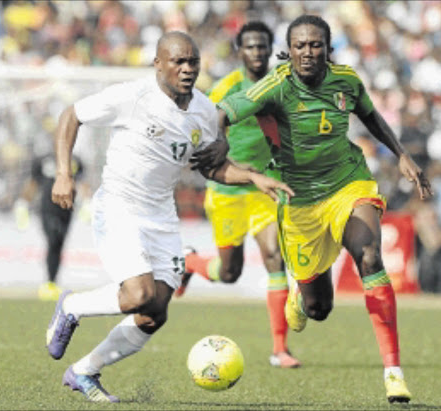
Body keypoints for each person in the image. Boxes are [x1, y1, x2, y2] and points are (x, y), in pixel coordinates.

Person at [196, 15, 433, 404]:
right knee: (319, 308)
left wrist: (401, 154)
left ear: (328, 48)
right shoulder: (275, 86)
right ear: (289, 52)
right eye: (300, 46)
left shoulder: (346, 80)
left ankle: (393, 372)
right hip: (299, 201)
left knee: (370, 256)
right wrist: (219, 142)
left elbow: (370, 115)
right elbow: (222, 113)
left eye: (316, 45)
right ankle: (299, 296)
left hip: (348, 183)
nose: (308, 52)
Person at [46, 31, 293, 403]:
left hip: (161, 215)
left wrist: (252, 176)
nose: (187, 68)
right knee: (138, 294)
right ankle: (72, 306)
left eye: (193, 61)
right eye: (178, 61)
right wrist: (63, 173)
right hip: (119, 206)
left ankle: (84, 371)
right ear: (158, 63)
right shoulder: (132, 97)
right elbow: (71, 116)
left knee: (153, 313)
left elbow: (212, 167)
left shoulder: (205, 111)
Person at [175, 21, 300, 369]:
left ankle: (280, 349)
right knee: (229, 274)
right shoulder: (226, 88)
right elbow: (206, 133)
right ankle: (190, 262)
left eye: (263, 46)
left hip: (266, 186)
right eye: (251, 47)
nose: (257, 52)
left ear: (269, 48)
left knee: (275, 256)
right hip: (227, 189)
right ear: (240, 51)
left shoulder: (280, 86)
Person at [14, 151, 87, 301]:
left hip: (67, 209)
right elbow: (33, 183)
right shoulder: (44, 159)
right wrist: (23, 203)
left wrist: (87, 201)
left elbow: (81, 182)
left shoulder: (75, 159)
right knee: (53, 240)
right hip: (47, 208)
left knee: (59, 244)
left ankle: (53, 282)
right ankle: (48, 283)